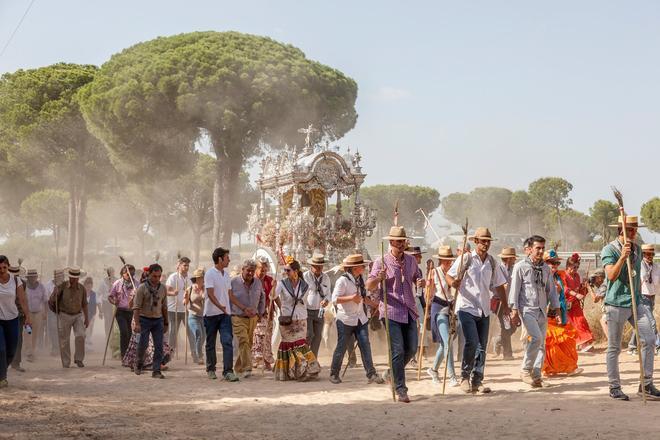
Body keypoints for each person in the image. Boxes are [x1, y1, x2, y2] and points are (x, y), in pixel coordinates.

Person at [601, 215, 660, 400]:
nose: (634, 232)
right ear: (621, 230)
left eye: (635, 229)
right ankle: (614, 386)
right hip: (616, 303)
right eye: (631, 229)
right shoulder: (609, 249)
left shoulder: (637, 249)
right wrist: (622, 257)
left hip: (637, 301)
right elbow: (611, 275)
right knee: (614, 347)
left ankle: (646, 383)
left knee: (649, 339)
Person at [366, 226, 425, 403]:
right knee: (398, 349)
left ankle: (391, 373)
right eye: (398, 241)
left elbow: (416, 277)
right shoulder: (380, 262)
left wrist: (419, 281)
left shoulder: (411, 260)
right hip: (391, 310)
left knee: (412, 348)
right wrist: (379, 279)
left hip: (410, 310)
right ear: (391, 242)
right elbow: (369, 284)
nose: (401, 244)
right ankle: (401, 389)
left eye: (403, 241)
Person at [446, 227, 507, 394]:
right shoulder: (466, 258)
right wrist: (453, 283)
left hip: (484, 309)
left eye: (487, 241)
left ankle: (477, 380)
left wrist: (507, 305)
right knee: (472, 341)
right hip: (466, 307)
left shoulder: (492, 262)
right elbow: (449, 275)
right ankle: (464, 377)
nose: (485, 244)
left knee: (482, 346)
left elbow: (499, 286)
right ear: (475, 242)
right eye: (482, 241)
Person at [508, 236, 560, 387]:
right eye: (538, 248)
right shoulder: (520, 267)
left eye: (543, 248)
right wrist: (514, 310)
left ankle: (537, 377)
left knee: (541, 344)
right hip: (526, 309)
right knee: (536, 338)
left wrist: (556, 309)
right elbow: (515, 290)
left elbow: (551, 291)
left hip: (541, 310)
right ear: (529, 249)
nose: (541, 251)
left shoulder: (545, 269)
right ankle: (525, 370)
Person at [329, 254, 384, 384]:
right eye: (362, 265)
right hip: (345, 320)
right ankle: (334, 373)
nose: (364, 267)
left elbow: (363, 298)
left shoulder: (360, 279)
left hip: (361, 319)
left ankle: (371, 374)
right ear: (355, 268)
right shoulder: (342, 281)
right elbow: (334, 299)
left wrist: (376, 305)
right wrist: (351, 298)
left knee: (365, 346)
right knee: (341, 347)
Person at [272, 257, 321, 381]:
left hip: (301, 319)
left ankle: (304, 371)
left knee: (300, 345)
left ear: (296, 271)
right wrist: (273, 288)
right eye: (285, 270)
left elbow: (305, 301)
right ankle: (291, 372)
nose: (286, 273)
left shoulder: (305, 285)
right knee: (289, 345)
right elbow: (272, 296)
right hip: (287, 320)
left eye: (288, 270)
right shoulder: (282, 283)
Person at [542, 249, 581, 377]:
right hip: (545, 315)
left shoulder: (558, 276)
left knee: (568, 341)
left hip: (559, 313)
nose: (554, 265)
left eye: (556, 263)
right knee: (551, 344)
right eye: (551, 262)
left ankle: (569, 367)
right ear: (544, 263)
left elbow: (566, 290)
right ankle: (547, 369)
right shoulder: (541, 276)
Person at [204, 247, 239, 382]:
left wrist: (243, 307)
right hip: (211, 314)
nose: (229, 260)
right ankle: (211, 369)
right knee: (211, 343)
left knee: (227, 341)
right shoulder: (209, 274)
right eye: (227, 257)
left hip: (225, 315)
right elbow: (210, 294)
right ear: (220, 259)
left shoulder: (226, 274)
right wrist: (220, 306)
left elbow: (230, 295)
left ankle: (228, 371)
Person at [426, 245, 459, 387]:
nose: (448, 262)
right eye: (445, 260)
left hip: (451, 309)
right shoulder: (434, 272)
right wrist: (428, 285)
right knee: (447, 343)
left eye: (449, 260)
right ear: (440, 260)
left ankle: (433, 370)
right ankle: (452, 376)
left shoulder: (454, 272)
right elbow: (428, 295)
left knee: (445, 344)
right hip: (438, 308)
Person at [229, 259, 265, 378]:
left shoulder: (258, 283)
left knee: (247, 343)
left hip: (253, 318)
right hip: (237, 316)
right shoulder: (233, 282)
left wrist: (260, 312)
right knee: (243, 340)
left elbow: (262, 298)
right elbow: (229, 298)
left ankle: (238, 368)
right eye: (248, 270)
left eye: (252, 271)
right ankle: (247, 368)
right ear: (242, 270)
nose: (250, 273)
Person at [132, 264, 168, 378]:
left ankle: (156, 370)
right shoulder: (142, 288)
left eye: (159, 276)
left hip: (158, 320)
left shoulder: (163, 288)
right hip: (144, 319)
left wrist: (166, 322)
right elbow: (136, 307)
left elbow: (164, 307)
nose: (156, 279)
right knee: (144, 343)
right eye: (154, 276)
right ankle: (138, 363)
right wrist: (137, 323)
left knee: (159, 346)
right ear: (149, 275)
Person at [0, 256, 31, 388]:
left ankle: (2, 370)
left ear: (8, 267)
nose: (1, 270)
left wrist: (28, 316)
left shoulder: (16, 280)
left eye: (4, 267)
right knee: (1, 349)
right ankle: (2, 378)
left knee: (12, 350)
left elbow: (23, 300)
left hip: (13, 318)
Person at [49, 267, 89, 368]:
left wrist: (87, 318)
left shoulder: (82, 288)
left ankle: (79, 359)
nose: (74, 280)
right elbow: (52, 300)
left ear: (78, 278)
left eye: (76, 278)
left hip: (78, 315)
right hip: (64, 315)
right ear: (69, 277)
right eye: (72, 277)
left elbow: (84, 304)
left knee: (81, 335)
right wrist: (55, 292)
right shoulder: (62, 286)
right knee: (64, 340)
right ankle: (66, 362)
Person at [627, 244, 659, 355]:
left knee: (641, 323)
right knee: (651, 322)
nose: (650, 256)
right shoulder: (639, 265)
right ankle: (658, 345)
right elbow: (639, 279)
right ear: (643, 255)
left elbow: (655, 281)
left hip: (652, 295)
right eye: (647, 254)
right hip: (642, 296)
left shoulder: (655, 266)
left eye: (652, 254)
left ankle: (632, 346)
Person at [491, 247, 518, 360]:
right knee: (506, 325)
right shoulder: (498, 269)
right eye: (513, 258)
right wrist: (501, 288)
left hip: (510, 302)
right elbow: (491, 286)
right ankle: (507, 353)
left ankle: (498, 340)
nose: (514, 260)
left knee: (513, 326)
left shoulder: (513, 269)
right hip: (500, 301)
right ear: (508, 259)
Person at [564, 253, 594, 352]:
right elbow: (565, 289)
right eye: (573, 267)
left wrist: (583, 286)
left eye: (577, 267)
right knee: (572, 325)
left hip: (576, 304)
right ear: (568, 266)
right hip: (565, 305)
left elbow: (579, 289)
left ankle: (585, 342)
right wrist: (576, 294)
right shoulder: (563, 275)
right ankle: (580, 344)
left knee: (581, 321)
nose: (575, 269)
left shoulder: (577, 276)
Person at [303, 253, 331, 359]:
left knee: (318, 336)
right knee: (309, 334)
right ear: (312, 266)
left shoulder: (326, 278)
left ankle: (313, 359)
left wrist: (326, 300)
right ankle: (305, 357)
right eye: (317, 266)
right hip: (307, 310)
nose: (319, 268)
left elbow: (328, 293)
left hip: (320, 311)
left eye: (321, 266)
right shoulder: (305, 277)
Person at [108, 264, 138, 359]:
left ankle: (129, 354)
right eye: (128, 274)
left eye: (132, 274)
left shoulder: (136, 284)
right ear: (123, 274)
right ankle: (124, 355)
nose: (131, 276)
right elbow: (110, 296)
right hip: (120, 311)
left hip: (132, 311)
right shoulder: (117, 283)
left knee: (130, 333)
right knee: (124, 331)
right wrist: (114, 301)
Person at [405, 246, 428, 367]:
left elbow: (421, 291)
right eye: (417, 255)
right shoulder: (405, 269)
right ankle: (412, 357)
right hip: (409, 302)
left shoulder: (419, 270)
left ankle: (417, 355)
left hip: (418, 301)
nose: (420, 257)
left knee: (421, 329)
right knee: (412, 328)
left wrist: (424, 305)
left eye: (419, 255)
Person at [252, 257, 275, 371]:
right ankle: (256, 359)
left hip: (268, 313)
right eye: (261, 268)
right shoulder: (251, 280)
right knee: (257, 337)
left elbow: (274, 297)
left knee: (267, 337)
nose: (262, 272)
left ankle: (267, 360)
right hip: (255, 314)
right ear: (256, 268)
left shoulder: (270, 280)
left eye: (265, 269)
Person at [166, 256, 190, 357]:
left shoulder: (190, 278)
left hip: (187, 309)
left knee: (191, 331)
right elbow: (166, 291)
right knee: (173, 333)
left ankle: (195, 353)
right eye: (184, 265)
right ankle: (170, 354)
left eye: (188, 265)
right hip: (173, 309)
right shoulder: (173, 277)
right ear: (179, 266)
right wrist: (173, 293)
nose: (187, 267)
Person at [25, 269, 48, 362]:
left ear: (36, 277)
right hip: (28, 314)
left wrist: (45, 312)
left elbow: (45, 300)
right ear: (28, 278)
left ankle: (32, 351)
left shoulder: (41, 287)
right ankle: (29, 352)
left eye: (34, 276)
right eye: (31, 277)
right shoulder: (24, 286)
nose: (33, 278)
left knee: (35, 333)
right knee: (28, 332)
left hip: (38, 313)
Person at [184, 268, 205, 365]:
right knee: (198, 334)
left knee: (203, 337)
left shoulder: (206, 288)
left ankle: (196, 353)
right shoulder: (190, 289)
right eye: (200, 277)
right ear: (196, 279)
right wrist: (185, 299)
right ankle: (199, 356)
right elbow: (185, 302)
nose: (202, 279)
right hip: (193, 316)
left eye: (202, 277)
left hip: (204, 316)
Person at [8, 264, 26, 372]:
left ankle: (16, 363)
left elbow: (24, 300)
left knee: (18, 339)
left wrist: (26, 315)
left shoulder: (23, 283)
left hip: (18, 315)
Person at [45, 269, 65, 356]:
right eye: (59, 276)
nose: (60, 278)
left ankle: (62, 348)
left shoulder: (65, 284)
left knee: (61, 329)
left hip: (62, 311)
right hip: (52, 310)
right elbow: (46, 299)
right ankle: (55, 347)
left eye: (61, 276)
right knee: (53, 329)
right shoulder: (48, 285)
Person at [97, 267, 116, 350]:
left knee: (115, 321)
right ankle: (108, 336)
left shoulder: (117, 280)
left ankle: (114, 337)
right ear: (107, 272)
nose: (111, 273)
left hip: (115, 303)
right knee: (108, 320)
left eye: (112, 271)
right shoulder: (103, 282)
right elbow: (98, 294)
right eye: (110, 271)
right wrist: (100, 310)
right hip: (106, 303)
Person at [588, 269, 608, 339]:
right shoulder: (605, 283)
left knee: (603, 321)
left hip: (610, 308)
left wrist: (589, 288)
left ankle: (612, 343)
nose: (594, 280)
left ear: (600, 278)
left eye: (595, 278)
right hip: (611, 308)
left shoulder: (604, 285)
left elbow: (595, 299)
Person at [83, 277, 100, 350]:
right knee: (85, 328)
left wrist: (101, 312)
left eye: (90, 286)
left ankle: (88, 341)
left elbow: (98, 303)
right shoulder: (82, 294)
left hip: (92, 314)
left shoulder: (94, 294)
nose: (89, 287)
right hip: (83, 314)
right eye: (87, 286)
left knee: (90, 328)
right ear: (85, 285)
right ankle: (86, 343)